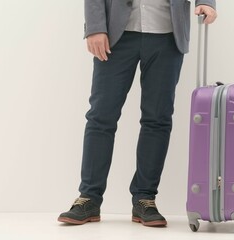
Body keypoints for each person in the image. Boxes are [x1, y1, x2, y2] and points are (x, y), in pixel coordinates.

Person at [58, 0, 217, 227]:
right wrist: (94, 27)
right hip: (116, 35)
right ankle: (89, 198)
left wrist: (206, 3)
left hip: (167, 34)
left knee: (157, 119)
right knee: (101, 117)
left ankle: (145, 199)